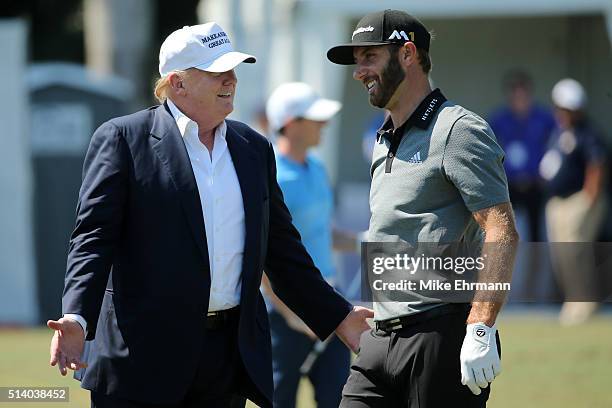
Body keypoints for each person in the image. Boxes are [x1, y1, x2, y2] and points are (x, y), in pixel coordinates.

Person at [46, 22, 372, 408]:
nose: (231, 80)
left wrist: (338, 315)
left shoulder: (254, 148)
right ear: (177, 83)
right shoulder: (122, 139)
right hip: (141, 357)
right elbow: (93, 239)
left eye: (233, 70)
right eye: (216, 72)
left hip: (226, 358)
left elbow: (283, 252)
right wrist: (76, 318)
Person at [327, 9, 519, 407]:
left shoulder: (459, 130)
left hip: (440, 339)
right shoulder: (383, 137)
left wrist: (481, 328)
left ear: (408, 54)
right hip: (378, 340)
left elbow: (501, 230)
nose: (358, 71)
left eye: (369, 57)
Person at [262, 82, 356, 407]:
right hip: (282, 315)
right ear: (291, 124)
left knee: (340, 398)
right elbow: (262, 255)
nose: (324, 125)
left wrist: (369, 242)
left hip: (330, 302)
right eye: (316, 119)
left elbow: (322, 232)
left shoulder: (316, 166)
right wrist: (293, 318)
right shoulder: (268, 172)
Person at [540, 78, 608, 325]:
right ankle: (573, 300)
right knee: (562, 255)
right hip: (557, 203)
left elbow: (597, 165)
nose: (563, 113)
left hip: (578, 201)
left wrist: (588, 198)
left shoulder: (588, 134)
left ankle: (585, 302)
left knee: (577, 252)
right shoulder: (558, 133)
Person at [489, 70, 555, 242]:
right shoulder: (499, 119)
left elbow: (558, 144)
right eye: (515, 94)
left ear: (529, 93)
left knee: (537, 237)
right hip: (509, 187)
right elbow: (487, 149)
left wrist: (548, 171)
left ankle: (535, 269)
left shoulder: (543, 118)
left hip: (536, 185)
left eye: (523, 93)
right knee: (506, 234)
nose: (519, 98)